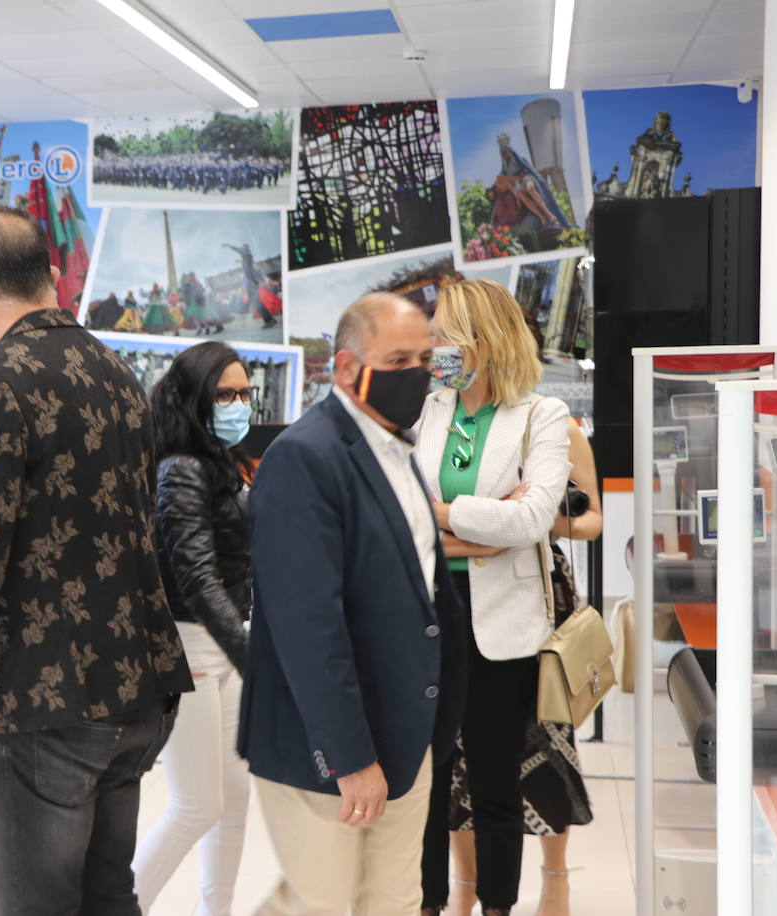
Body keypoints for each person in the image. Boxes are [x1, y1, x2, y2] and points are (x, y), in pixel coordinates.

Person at [0, 206, 193, 916]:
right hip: (135, 686)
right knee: (106, 897)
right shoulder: (118, 374)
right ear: (50, 277)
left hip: (45, 699)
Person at [240, 293, 468, 916]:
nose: (417, 373)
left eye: (426, 357)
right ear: (346, 368)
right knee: (321, 903)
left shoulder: (396, 448)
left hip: (409, 734)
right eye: (398, 358)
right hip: (332, 747)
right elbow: (307, 624)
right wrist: (350, 756)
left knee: (392, 899)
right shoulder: (303, 458)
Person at [413, 279, 572, 916]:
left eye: (443, 334)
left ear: (484, 339)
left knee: (494, 785)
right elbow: (401, 519)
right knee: (422, 785)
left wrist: (444, 512)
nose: (433, 346)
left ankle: (498, 907)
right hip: (424, 619)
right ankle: (425, 905)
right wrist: (476, 529)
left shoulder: (542, 416)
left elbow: (533, 519)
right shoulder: (429, 412)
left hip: (501, 630)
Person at [440, 309, 602, 916]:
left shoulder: (550, 422)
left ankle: (555, 876)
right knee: (460, 758)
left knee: (542, 741)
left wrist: (536, 518)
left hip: (536, 589)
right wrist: (488, 522)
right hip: (458, 592)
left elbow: (590, 519)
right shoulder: (443, 422)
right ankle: (463, 886)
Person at [133, 342, 255, 915]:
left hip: (223, 648)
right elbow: (197, 578)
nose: (237, 405)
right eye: (224, 394)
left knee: (233, 800)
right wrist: (255, 658)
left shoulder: (217, 460)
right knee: (196, 806)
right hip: (193, 649)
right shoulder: (179, 467)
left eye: (244, 394)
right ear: (195, 398)